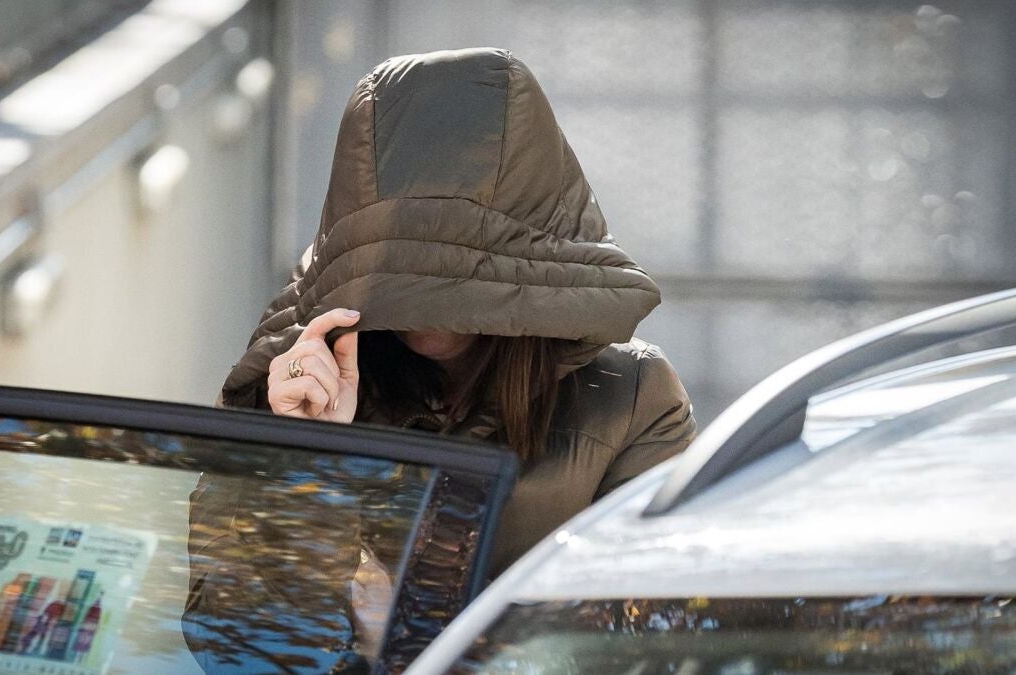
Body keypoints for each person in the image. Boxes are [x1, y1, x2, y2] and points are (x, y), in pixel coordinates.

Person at [186, 47, 696, 672]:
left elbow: (657, 644)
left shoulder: (632, 398)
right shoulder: (292, 384)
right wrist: (308, 464)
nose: (422, 305)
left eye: (457, 268)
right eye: (399, 265)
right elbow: (241, 652)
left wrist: (423, 634)